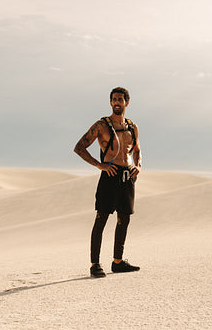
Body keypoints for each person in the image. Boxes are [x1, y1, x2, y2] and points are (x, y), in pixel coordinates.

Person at [74, 87, 142, 278]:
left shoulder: (132, 127)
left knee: (124, 219)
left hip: (127, 177)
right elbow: (79, 147)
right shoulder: (101, 126)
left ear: (127, 102)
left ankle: (118, 262)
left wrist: (139, 165)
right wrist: (99, 165)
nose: (117, 102)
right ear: (110, 102)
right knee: (101, 219)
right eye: (113, 99)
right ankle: (95, 264)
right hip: (109, 176)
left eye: (120, 99)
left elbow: (137, 150)